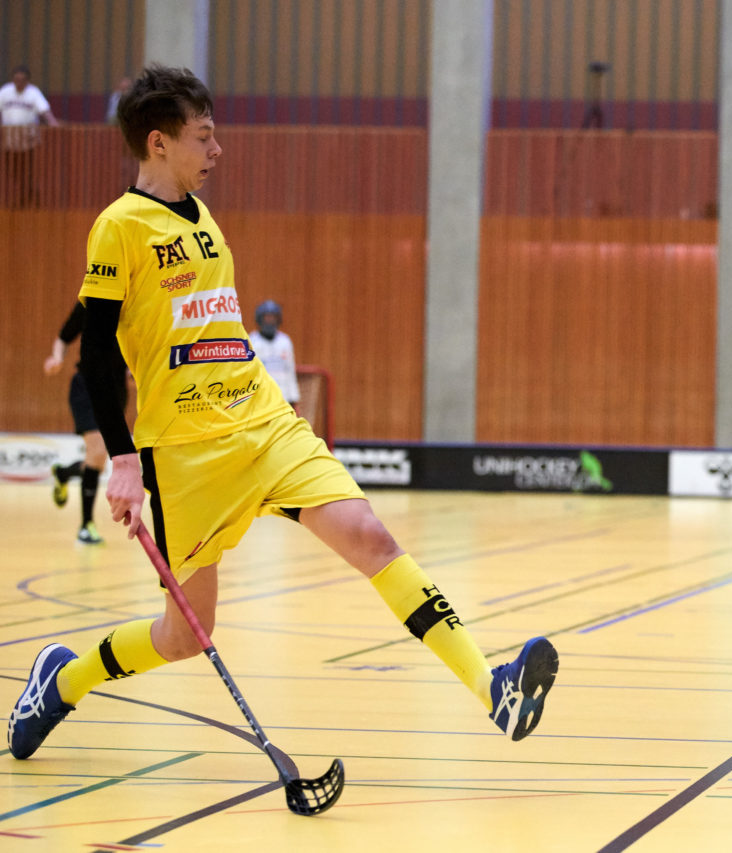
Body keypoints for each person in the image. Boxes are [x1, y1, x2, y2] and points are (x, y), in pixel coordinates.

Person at [7, 65, 559, 764]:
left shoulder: (201, 218)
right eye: (203, 137)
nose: (217, 150)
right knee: (183, 633)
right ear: (157, 143)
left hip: (264, 424)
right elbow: (95, 357)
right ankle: (63, 679)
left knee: (371, 536)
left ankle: (494, 688)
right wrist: (122, 458)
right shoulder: (118, 228)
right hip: (186, 454)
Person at [43, 301, 130, 544]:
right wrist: (57, 358)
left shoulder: (136, 305)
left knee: (97, 459)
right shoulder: (90, 303)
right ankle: (86, 525)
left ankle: (64, 473)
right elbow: (63, 337)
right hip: (87, 387)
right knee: (99, 450)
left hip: (116, 390)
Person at [0, 64, 59, 207]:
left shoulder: (33, 92)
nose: (18, 82)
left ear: (27, 81)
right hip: (10, 141)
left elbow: (44, 111)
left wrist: (53, 124)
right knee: (13, 172)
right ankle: (28, 196)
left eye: (22, 80)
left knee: (27, 172)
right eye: (16, 79)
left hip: (28, 141)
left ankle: (26, 199)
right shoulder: (5, 91)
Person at [248, 299, 300, 406]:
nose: (270, 321)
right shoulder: (251, 341)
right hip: (260, 397)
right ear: (259, 319)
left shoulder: (285, 341)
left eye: (273, 318)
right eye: (267, 318)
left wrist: (293, 398)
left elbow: (290, 371)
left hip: (283, 397)